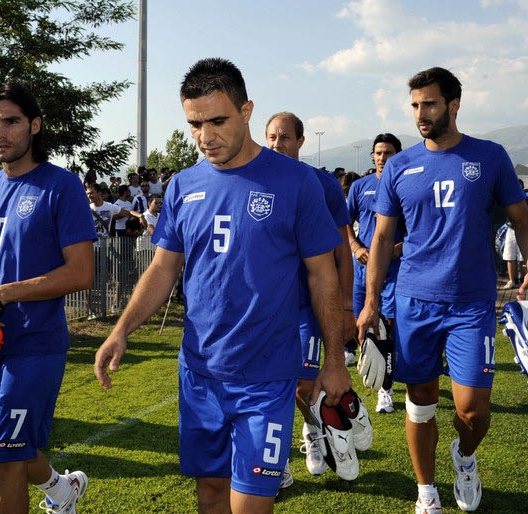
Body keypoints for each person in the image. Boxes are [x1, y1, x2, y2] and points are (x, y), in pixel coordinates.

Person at [94, 58, 350, 514]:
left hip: (267, 377)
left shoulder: (296, 182)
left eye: (217, 121)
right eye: (194, 124)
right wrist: (121, 329)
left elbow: (322, 274)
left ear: (246, 111)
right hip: (199, 374)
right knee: (210, 493)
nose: (205, 136)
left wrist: (333, 360)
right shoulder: (182, 186)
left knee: (251, 505)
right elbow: (162, 269)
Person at [357, 67, 528, 514]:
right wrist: (370, 303)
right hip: (414, 301)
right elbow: (381, 238)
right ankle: (426, 491)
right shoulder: (399, 166)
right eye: (415, 105)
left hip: (470, 303)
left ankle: (464, 456)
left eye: (430, 104)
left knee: (473, 410)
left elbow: (521, 220)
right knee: (420, 401)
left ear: (454, 105)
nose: (420, 114)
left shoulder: (490, 156)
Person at [0, 81, 96, 514]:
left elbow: (81, 272)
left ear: (35, 125)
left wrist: (2, 295)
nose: (0, 133)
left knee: (6, 464)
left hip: (35, 345)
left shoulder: (61, 186)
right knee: (1, 453)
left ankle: (58, 491)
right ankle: (62, 490)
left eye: (11, 121)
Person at [265, 111, 356, 484]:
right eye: (272, 137)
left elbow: (342, 250)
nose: (277, 144)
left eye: (285, 137)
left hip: (309, 303)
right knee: (272, 385)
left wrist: (347, 304)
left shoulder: (322, 184)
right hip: (269, 306)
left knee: (303, 385)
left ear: (301, 141)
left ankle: (312, 431)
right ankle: (277, 459)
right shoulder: (255, 179)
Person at [347, 133, 404, 414]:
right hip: (362, 271)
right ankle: (372, 372)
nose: (382, 158)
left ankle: (386, 388)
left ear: (398, 156)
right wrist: (355, 246)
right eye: (379, 153)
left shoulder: (405, 185)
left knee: (389, 328)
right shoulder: (360, 186)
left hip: (394, 271)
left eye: (388, 153)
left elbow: (419, 227)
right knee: (363, 325)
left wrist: (398, 248)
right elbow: (344, 223)